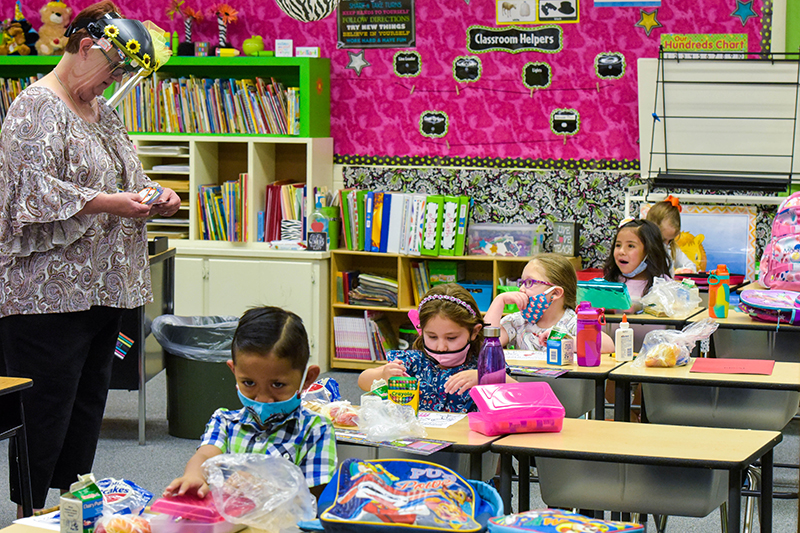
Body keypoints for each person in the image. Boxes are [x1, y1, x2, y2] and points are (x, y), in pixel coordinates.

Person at [0, 1, 179, 515]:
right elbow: (27, 193)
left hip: (108, 285)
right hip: (47, 293)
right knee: (44, 407)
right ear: (84, 49)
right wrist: (106, 203)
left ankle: (71, 507)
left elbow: (125, 177)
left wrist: (156, 193)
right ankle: (28, 513)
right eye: (114, 70)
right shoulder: (36, 106)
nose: (114, 81)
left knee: (86, 405)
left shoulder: (104, 112)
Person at [164, 306, 336, 499]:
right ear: (234, 371)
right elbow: (204, 457)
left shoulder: (315, 430)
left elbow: (315, 499)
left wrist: (268, 489)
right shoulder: (224, 422)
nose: (262, 399)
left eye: (277, 384)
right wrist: (194, 476)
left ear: (307, 378)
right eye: (249, 383)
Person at [357, 283, 484, 413]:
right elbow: (363, 380)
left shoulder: (483, 365)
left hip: (465, 433)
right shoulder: (413, 361)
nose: (441, 347)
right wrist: (383, 375)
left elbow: (506, 382)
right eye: (432, 337)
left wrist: (484, 377)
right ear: (421, 331)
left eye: (451, 338)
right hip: (419, 432)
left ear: (474, 332)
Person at [484, 253, 614, 353]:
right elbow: (485, 343)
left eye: (530, 283)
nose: (521, 289)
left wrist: (564, 340)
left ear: (556, 293)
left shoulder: (573, 322)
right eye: (522, 283)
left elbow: (608, 345)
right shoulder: (518, 321)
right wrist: (499, 301)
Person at [603, 218, 671, 311]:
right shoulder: (607, 284)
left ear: (649, 252)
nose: (621, 251)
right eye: (618, 245)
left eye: (631, 246)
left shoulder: (664, 285)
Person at [645, 195, 697, 275]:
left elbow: (689, 265)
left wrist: (687, 270)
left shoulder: (673, 248)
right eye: (663, 240)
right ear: (651, 230)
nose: (666, 244)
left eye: (670, 240)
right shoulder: (643, 249)